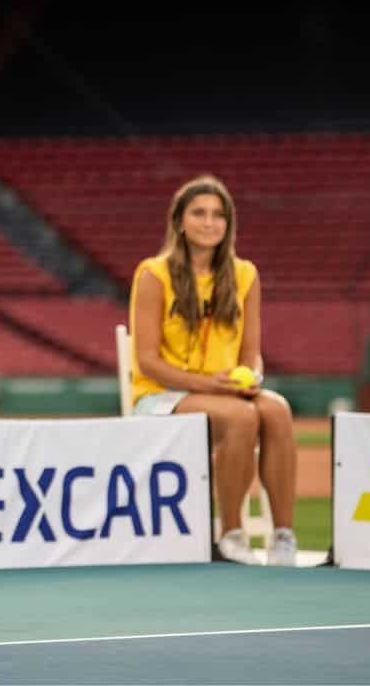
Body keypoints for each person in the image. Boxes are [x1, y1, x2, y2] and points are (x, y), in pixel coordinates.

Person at [128, 174, 298, 566]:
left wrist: (252, 375)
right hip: (160, 397)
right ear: (179, 221)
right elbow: (148, 362)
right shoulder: (153, 273)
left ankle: (283, 537)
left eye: (218, 215)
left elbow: (252, 353)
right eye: (199, 213)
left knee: (276, 409)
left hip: (222, 391)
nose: (209, 222)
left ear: (229, 223)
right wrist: (213, 385)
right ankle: (231, 535)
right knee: (241, 416)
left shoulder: (245, 275)